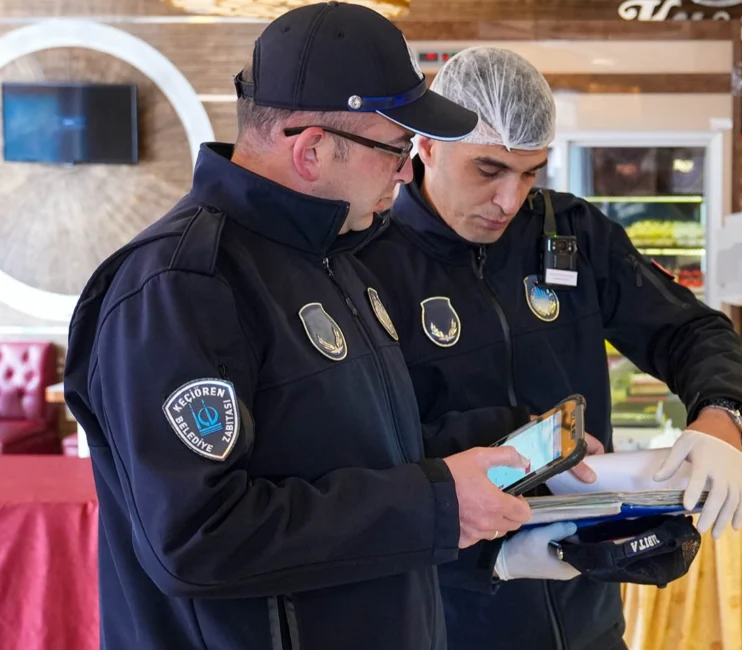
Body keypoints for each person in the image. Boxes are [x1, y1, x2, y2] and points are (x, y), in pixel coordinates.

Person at [62, 9, 535, 650]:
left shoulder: (338, 257)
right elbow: (198, 538)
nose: (406, 174)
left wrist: (506, 450)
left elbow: (355, 450)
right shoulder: (181, 286)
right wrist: (437, 506)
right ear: (311, 149)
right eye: (396, 150)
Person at [357, 46, 742, 650]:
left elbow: (689, 330)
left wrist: (721, 418)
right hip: (454, 613)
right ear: (429, 144)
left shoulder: (571, 232)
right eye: (488, 171)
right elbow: (364, 466)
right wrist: (492, 553)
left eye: (530, 173)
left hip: (588, 608)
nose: (510, 200)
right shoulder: (364, 259)